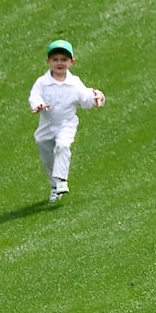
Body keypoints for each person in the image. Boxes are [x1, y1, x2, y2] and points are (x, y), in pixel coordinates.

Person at [28, 38, 105, 203]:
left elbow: (86, 99)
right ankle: (54, 186)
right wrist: (38, 105)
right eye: (55, 59)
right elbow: (34, 97)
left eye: (64, 59)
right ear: (48, 61)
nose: (59, 63)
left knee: (62, 146)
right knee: (47, 159)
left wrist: (98, 96)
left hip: (66, 123)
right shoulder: (42, 83)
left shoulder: (74, 83)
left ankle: (62, 181)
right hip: (46, 126)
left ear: (71, 62)